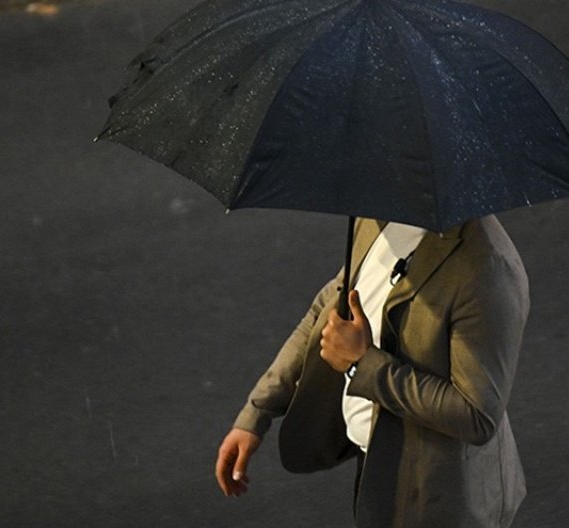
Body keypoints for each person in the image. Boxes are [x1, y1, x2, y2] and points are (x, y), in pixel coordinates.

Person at [215, 216, 530, 527]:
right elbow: (330, 305)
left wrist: (363, 363)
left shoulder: (487, 269)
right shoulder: (375, 216)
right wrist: (257, 411)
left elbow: (476, 414)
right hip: (379, 464)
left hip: (440, 495)